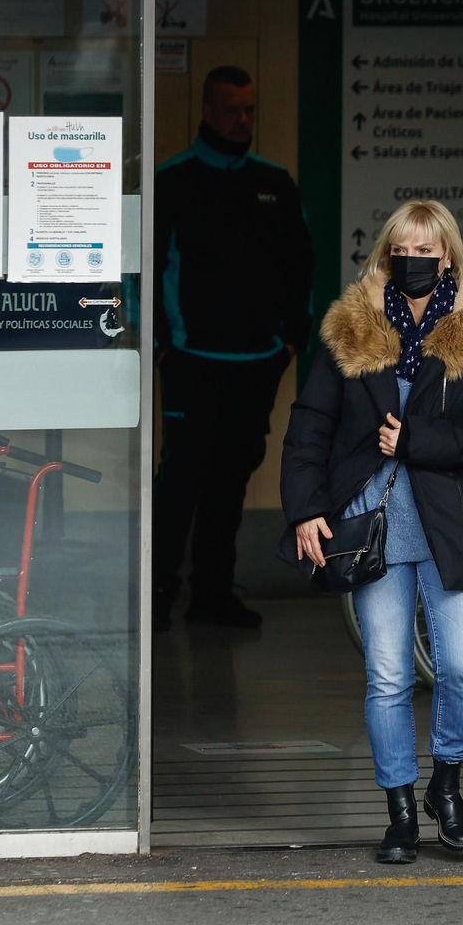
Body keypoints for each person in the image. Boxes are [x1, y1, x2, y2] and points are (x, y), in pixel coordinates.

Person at [279, 200, 463, 863]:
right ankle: (399, 810)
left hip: (456, 527)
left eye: (426, 249)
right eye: (402, 249)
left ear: (448, 256)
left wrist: (419, 441)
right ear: (388, 254)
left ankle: (446, 785)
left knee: (461, 669)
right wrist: (304, 509)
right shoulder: (353, 327)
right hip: (374, 529)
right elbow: (311, 424)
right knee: (388, 676)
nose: (413, 259)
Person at [153, 66, 316, 630]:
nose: (243, 119)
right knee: (181, 479)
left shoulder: (274, 183)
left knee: (230, 480)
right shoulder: (172, 181)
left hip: (257, 363)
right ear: (207, 112)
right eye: (231, 110)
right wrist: (163, 345)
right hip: (191, 362)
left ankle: (212, 597)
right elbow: (143, 271)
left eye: (249, 109)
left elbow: (301, 267)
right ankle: (157, 596)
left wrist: (290, 341)